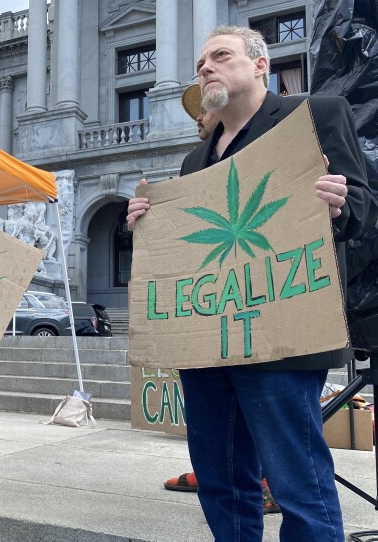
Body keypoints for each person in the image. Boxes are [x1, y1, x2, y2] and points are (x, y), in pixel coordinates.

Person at [127, 26, 378, 541]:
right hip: (208, 343)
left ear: (261, 64)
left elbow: (362, 208)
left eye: (220, 56)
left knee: (297, 481)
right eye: (201, 64)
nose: (206, 69)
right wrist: (147, 221)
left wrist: (340, 202)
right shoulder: (193, 161)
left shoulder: (316, 115)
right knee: (220, 481)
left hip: (283, 335)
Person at [167, 84, 279, 515]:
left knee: (289, 460)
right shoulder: (193, 163)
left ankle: (268, 484)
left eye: (204, 112)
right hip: (212, 329)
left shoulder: (275, 137)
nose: (198, 118)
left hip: (267, 322)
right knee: (223, 466)